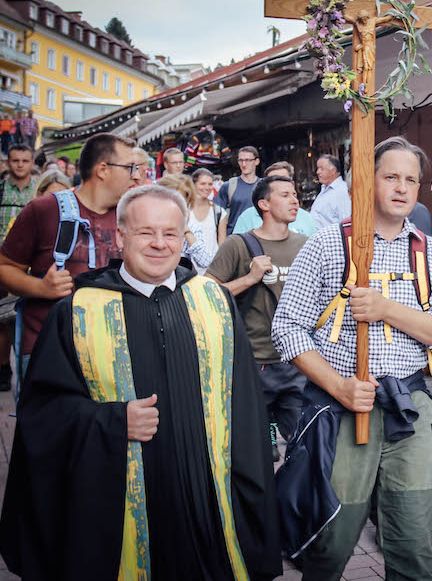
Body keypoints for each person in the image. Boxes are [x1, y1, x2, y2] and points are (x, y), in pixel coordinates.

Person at [0, 185, 282, 580]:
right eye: (145, 232)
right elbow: (41, 415)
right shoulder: (77, 312)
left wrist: (252, 501)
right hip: (118, 515)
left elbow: (246, 408)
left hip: (209, 506)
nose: (159, 244)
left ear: (184, 238)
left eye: (170, 233)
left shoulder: (214, 303)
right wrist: (113, 421)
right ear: (120, 237)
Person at [271, 136, 432, 578]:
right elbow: (287, 328)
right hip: (342, 410)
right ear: (366, 181)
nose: (401, 187)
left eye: (411, 179)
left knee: (412, 542)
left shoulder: (428, 251)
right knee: (331, 541)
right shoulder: (327, 245)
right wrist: (338, 386)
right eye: (391, 176)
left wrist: (386, 309)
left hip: (408, 410)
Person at [0, 133, 135, 384]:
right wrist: (40, 287)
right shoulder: (44, 210)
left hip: (113, 351)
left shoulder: (131, 214)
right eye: (129, 167)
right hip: (48, 349)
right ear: (103, 169)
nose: (135, 175)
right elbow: (4, 267)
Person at [208, 175, 308, 457]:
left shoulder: (306, 245)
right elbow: (207, 295)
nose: (294, 200)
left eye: (295, 194)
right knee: (262, 450)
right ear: (264, 203)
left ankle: (294, 497)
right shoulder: (237, 245)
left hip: (298, 361)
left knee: (304, 442)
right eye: (285, 195)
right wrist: (250, 278)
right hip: (254, 363)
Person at [0, 144, 38, 391]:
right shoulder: (1, 189)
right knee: (2, 318)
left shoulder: (40, 190)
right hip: (3, 262)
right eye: (16, 160)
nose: (20, 165)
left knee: (27, 317)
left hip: (31, 264)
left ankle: (28, 365)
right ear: (8, 163)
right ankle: (4, 368)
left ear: (32, 162)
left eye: (25, 160)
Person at [231, 161, 317, 237]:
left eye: (283, 179)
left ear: (292, 184)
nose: (279, 183)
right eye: (273, 180)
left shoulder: (306, 218)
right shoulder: (247, 217)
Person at [156, 174, 215, 273]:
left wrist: (186, 230)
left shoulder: (192, 226)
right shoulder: (150, 221)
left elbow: (205, 262)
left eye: (180, 200)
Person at [215, 146, 260, 237]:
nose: (244, 164)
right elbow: (217, 215)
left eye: (248, 160)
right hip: (235, 238)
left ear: (256, 161)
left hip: (259, 238)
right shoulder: (229, 185)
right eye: (241, 160)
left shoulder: (264, 186)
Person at [189, 167, 224, 265]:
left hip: (212, 267)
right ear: (193, 185)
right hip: (188, 267)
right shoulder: (184, 210)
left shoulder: (219, 211)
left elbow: (221, 244)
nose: (207, 188)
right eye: (203, 184)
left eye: (210, 184)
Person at [310, 154, 350, 229]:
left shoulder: (342, 191)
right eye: (318, 168)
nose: (318, 172)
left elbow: (346, 222)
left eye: (321, 169)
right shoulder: (325, 189)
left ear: (333, 170)